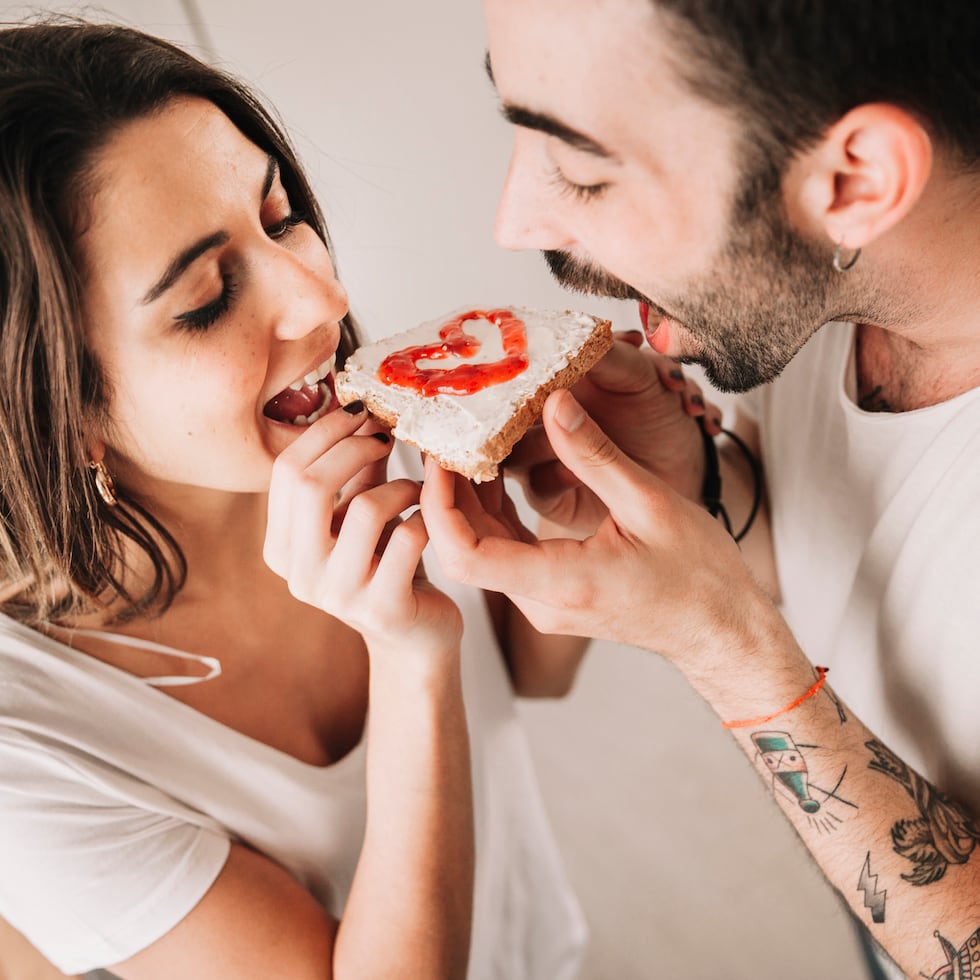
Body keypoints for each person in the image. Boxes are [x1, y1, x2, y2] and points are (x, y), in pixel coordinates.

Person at [0, 19, 592, 979]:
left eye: (279, 218)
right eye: (205, 299)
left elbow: (530, 674)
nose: (319, 299)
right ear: (62, 416)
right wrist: (408, 658)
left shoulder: (375, 424)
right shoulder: (25, 753)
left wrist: (569, 528)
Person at [419, 1, 980, 978]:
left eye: (584, 171)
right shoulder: (818, 295)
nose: (514, 221)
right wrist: (703, 495)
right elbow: (851, 555)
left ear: (854, 179)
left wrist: (723, 649)